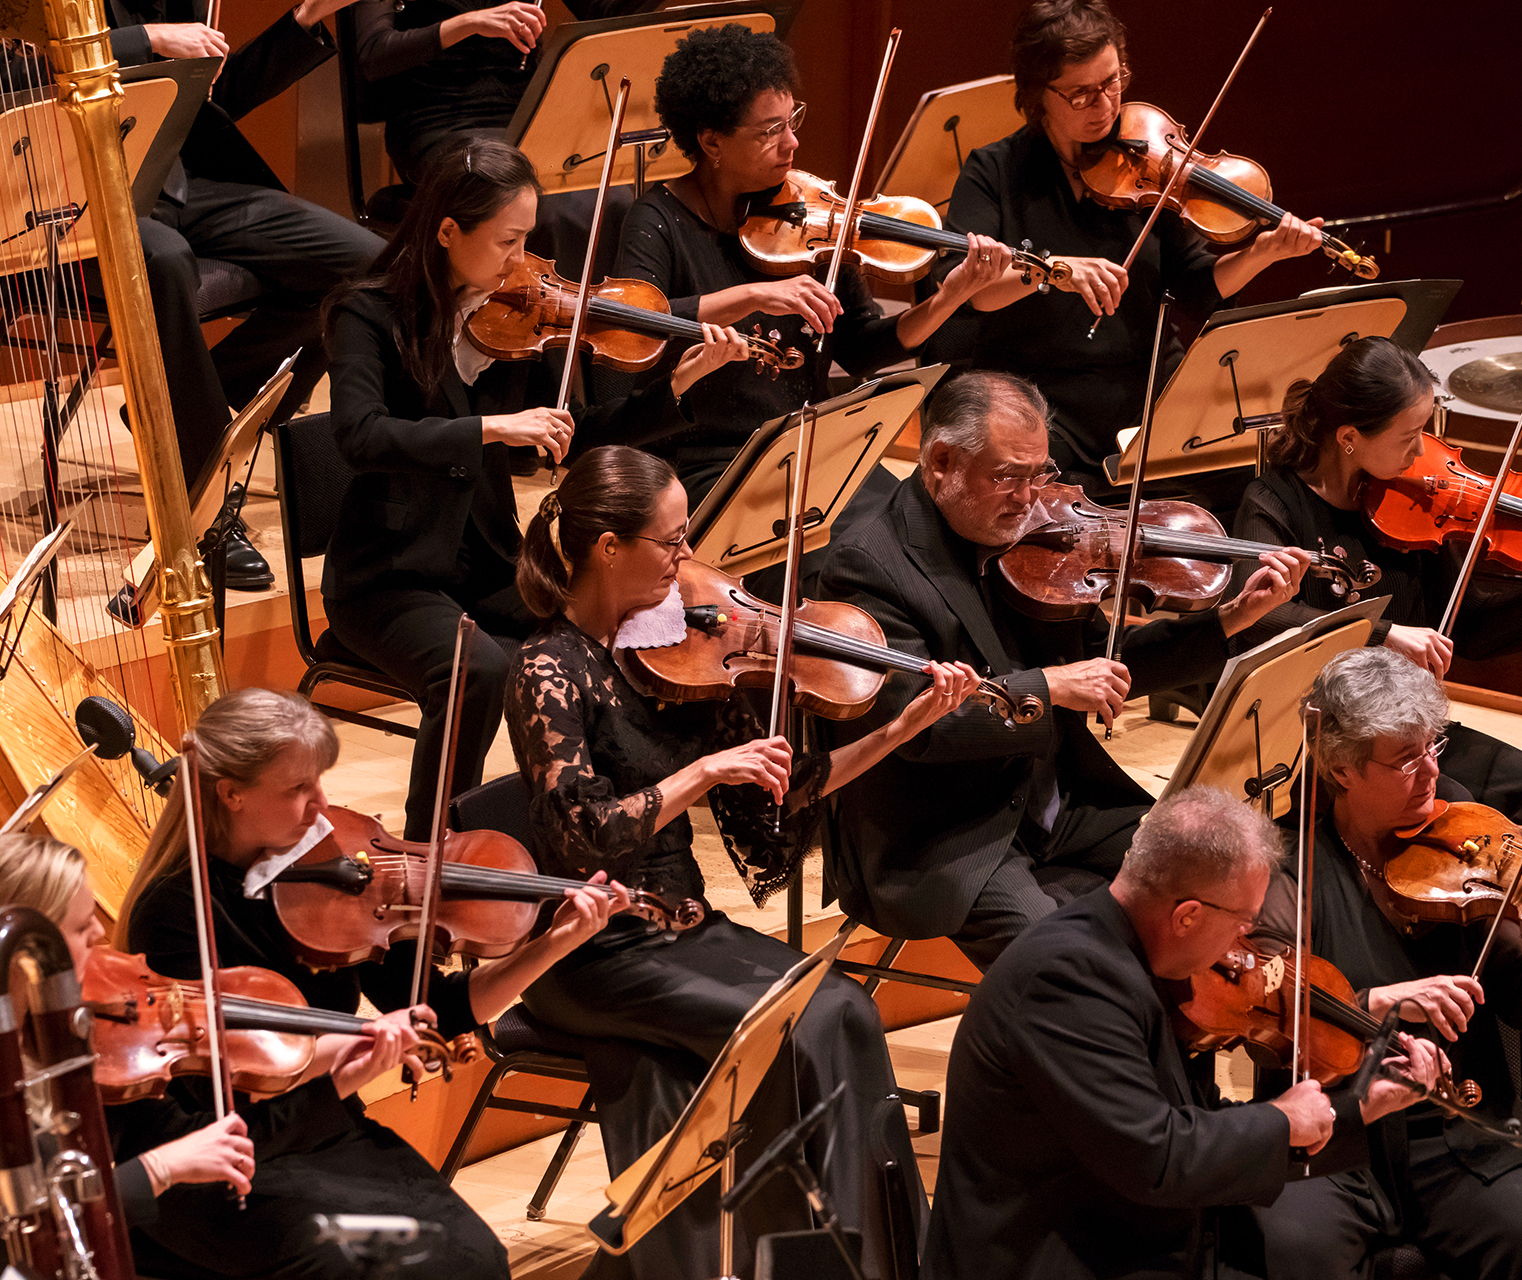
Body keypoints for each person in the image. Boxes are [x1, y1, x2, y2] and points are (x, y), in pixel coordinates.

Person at [503, 443, 984, 1279]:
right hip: (592, 948)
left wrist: (896, 731)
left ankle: (886, 1263)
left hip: (685, 929)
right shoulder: (547, 667)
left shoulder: (673, 654)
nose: (688, 562)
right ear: (609, 549)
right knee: (812, 1028)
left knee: (844, 1009)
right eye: (672, 542)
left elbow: (777, 809)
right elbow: (582, 832)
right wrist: (702, 771)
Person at [111, 685, 624, 1278]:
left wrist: (554, 943)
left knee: (474, 1257)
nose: (320, 804)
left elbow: (444, 1010)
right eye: (297, 788)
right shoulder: (176, 913)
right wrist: (355, 1051)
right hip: (227, 1157)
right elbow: (234, 1091)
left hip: (324, 1124)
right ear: (232, 795)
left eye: (320, 781)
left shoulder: (329, 874)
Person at [816, 368, 1311, 970]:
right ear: (941, 461)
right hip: (948, 832)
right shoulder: (868, 566)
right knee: (1072, 959)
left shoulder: (1036, 541)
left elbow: (1106, 664)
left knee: (1234, 872)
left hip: (1061, 800)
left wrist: (1231, 618)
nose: (1029, 499)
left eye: (1039, 474)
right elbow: (920, 729)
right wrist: (1048, 687)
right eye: (1007, 477)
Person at [323, 138, 748, 838]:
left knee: (627, 628)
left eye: (528, 241)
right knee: (477, 669)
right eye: (507, 241)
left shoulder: (507, 320)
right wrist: (492, 428)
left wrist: (676, 385)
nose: (520, 264)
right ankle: (434, 851)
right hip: (387, 578)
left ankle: (596, 822)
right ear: (447, 231)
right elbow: (360, 436)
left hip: (484, 564)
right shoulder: (366, 315)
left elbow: (570, 436)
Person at [920, 786, 1441, 1280]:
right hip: (1061, 1257)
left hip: (1132, 1226)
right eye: (1244, 922)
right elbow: (1158, 1157)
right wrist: (1283, 1120)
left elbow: (1198, 1123)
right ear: (1188, 916)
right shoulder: (1067, 983)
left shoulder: (1152, 966)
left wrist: (1357, 1108)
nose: (1248, 943)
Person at [612, 22, 1011, 507]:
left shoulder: (806, 214)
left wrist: (951, 296)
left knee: (917, 524)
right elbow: (632, 323)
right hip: (709, 460)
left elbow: (863, 349)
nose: (792, 144)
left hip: (810, 444)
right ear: (712, 142)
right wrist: (752, 296)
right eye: (770, 131)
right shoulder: (657, 220)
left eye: (791, 121)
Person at [940, 0, 1323, 490]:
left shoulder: (1149, 166)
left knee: (1253, 477)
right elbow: (972, 289)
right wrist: (1052, 269)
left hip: (1149, 393)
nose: (1104, 106)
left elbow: (1199, 287)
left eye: (1112, 81)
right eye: (1080, 94)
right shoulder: (995, 172)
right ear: (1039, 94)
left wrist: (1262, 252)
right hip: (1042, 401)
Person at [1248, 648, 1522, 1279]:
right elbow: (1262, 1007)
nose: (1429, 773)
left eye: (1434, 747)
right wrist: (1381, 999)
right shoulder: (1286, 865)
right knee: (1295, 1252)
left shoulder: (1465, 831)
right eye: (1404, 759)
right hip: (1333, 1138)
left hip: (1460, 1128)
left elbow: (1510, 988)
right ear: (1342, 768)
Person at [106, 0, 386, 586]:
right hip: (90, 192)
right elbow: (22, 70)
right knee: (163, 261)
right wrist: (147, 37)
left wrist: (304, 20)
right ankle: (205, 501)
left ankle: (194, 400)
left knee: (365, 266)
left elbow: (212, 98)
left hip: (183, 181)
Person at [1230, 335, 1522, 820]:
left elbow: (1465, 630)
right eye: (1408, 438)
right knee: (1456, 812)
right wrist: (1380, 635)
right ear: (1349, 437)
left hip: (1409, 733)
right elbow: (1258, 620)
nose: (1419, 455)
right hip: (1329, 745)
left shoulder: (1413, 511)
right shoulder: (1273, 503)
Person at [0, 833, 257, 1232]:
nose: (100, 935)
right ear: (24, 947)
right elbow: (31, 1225)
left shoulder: (51, 1026)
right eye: (82, 926)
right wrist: (161, 1168)